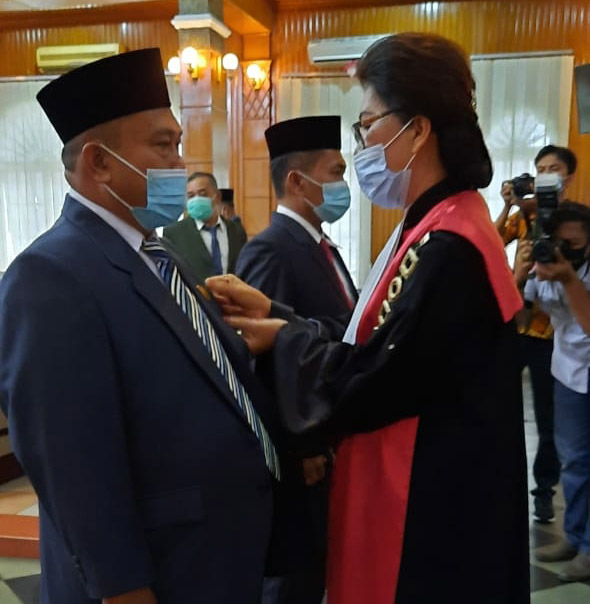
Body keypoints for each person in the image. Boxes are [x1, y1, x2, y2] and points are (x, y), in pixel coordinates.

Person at [207, 32, 530, 604]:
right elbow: (376, 337)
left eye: (367, 124)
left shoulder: (449, 245)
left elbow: (379, 376)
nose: (362, 147)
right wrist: (280, 319)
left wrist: (283, 339)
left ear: (418, 129)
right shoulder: (434, 223)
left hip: (434, 508)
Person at [0, 48, 281, 604]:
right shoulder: (49, 276)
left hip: (213, 558)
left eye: (177, 144)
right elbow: (74, 470)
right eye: (162, 145)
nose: (179, 162)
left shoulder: (158, 255)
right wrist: (123, 589)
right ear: (99, 162)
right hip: (156, 575)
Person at [236, 115, 358, 604]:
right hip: (300, 451)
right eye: (335, 173)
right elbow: (261, 354)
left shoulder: (321, 246)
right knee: (294, 579)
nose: (344, 186)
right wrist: (299, 447)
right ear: (297, 181)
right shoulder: (272, 249)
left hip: (327, 436)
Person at [496, 144, 577, 523]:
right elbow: (492, 241)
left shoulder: (575, 222)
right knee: (495, 405)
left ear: (567, 177)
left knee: (547, 419)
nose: (546, 174)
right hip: (516, 323)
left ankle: (544, 491)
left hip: (553, 334)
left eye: (553, 169)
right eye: (540, 169)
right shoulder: (524, 216)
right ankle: (496, 483)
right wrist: (509, 205)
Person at [517, 202, 590, 582]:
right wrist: (518, 277)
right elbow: (519, 317)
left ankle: (589, 550)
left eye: (573, 246)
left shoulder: (569, 271)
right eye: (559, 243)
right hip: (568, 371)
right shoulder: (542, 265)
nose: (564, 252)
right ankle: (574, 537)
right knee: (573, 460)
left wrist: (569, 279)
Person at [163, 172, 247, 282]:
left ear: (217, 196)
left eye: (203, 194)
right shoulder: (174, 233)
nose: (197, 200)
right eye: (191, 196)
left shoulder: (236, 231)